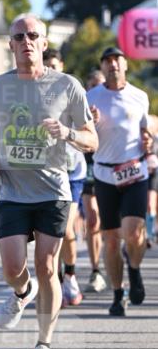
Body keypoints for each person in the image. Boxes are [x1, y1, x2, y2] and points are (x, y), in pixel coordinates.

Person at [0, 14, 97, 349]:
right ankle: (21, 292)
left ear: (44, 43)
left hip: (54, 191)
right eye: (19, 36)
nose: (26, 41)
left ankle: (43, 345)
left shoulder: (67, 85)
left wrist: (68, 133)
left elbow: (91, 140)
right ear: (11, 45)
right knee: (13, 267)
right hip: (13, 191)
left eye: (33, 35)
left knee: (47, 265)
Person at [88, 46, 151, 317]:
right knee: (112, 240)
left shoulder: (140, 96)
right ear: (102, 68)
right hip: (104, 174)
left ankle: (134, 270)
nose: (112, 65)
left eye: (117, 60)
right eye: (107, 61)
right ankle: (117, 293)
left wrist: (147, 139)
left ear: (126, 65)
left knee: (134, 232)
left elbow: (145, 131)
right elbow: (82, 136)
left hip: (135, 171)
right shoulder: (90, 97)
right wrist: (88, 122)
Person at [42, 49, 86, 307]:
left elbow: (89, 132)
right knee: (50, 232)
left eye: (55, 66)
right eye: (47, 67)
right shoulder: (34, 94)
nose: (51, 71)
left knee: (66, 229)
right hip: (46, 172)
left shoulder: (72, 91)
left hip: (72, 173)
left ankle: (70, 276)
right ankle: (57, 278)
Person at [81, 69, 107, 292]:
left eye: (100, 85)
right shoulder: (81, 105)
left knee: (112, 225)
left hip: (112, 165)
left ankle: (117, 262)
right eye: (92, 86)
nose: (95, 90)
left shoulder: (114, 103)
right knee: (92, 220)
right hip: (89, 164)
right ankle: (95, 270)